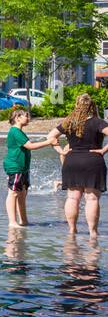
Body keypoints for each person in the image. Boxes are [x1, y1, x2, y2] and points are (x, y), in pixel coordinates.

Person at [46, 93, 108, 235]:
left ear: (77, 105)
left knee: (72, 198)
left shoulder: (69, 122)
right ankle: (93, 233)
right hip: (92, 161)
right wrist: (103, 150)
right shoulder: (97, 122)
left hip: (72, 161)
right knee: (91, 199)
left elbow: (50, 136)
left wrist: (61, 151)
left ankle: (72, 230)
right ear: (91, 106)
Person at [4, 107, 56, 227]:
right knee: (13, 193)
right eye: (26, 116)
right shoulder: (15, 131)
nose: (29, 118)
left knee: (22, 195)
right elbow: (30, 146)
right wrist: (48, 142)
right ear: (17, 118)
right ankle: (12, 222)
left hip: (23, 167)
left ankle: (24, 220)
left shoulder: (19, 131)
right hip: (15, 166)